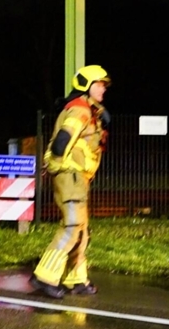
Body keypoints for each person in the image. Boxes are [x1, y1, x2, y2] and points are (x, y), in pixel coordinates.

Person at [29, 65, 111, 299]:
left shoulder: (88, 109)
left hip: (78, 177)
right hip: (70, 175)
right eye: (99, 84)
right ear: (87, 86)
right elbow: (62, 141)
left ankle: (76, 279)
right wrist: (56, 164)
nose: (103, 89)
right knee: (73, 225)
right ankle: (45, 276)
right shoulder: (80, 110)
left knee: (82, 230)